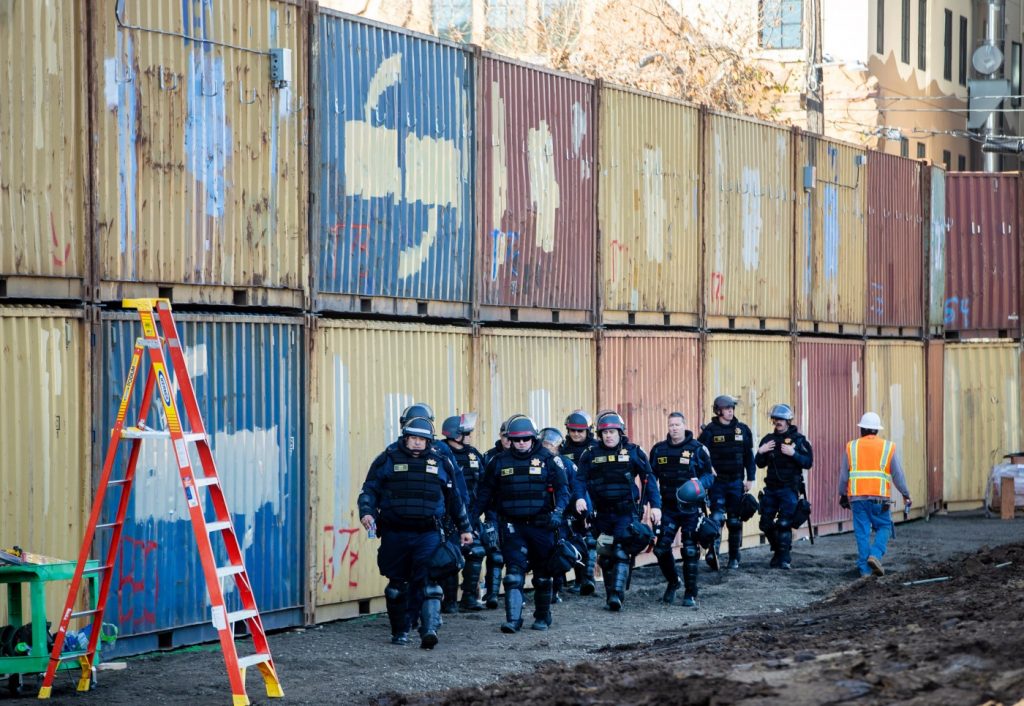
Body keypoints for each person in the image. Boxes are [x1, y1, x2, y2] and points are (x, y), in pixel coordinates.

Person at [358, 417, 473, 649]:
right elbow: (369, 490)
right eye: (413, 438)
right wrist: (367, 512)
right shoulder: (387, 458)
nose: (418, 443)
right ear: (405, 438)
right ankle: (400, 632)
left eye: (422, 439)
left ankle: (429, 630)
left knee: (429, 581)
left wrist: (465, 528)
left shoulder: (441, 461)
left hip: (428, 533)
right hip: (395, 532)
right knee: (395, 587)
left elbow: (454, 498)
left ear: (429, 441)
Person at [473, 416, 570, 633]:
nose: (522, 443)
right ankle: (513, 620)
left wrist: (559, 512)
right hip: (512, 526)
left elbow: (564, 490)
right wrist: (471, 518)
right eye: (517, 440)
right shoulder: (499, 461)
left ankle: (543, 616)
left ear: (533, 438)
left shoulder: (548, 459)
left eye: (526, 439)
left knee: (543, 575)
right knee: (513, 574)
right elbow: (485, 493)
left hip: (542, 525)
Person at [574, 411, 662, 611]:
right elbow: (579, 479)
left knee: (621, 550)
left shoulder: (633, 452)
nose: (608, 436)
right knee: (605, 555)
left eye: (612, 432)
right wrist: (580, 497)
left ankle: (616, 595)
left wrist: (655, 506)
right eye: (604, 432)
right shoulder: (590, 454)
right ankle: (608, 596)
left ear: (620, 432)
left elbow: (649, 479)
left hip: (626, 511)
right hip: (601, 513)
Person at [649, 412, 715, 606]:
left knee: (689, 550)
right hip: (668, 508)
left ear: (684, 425)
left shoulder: (697, 449)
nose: (674, 428)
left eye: (677, 424)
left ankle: (690, 593)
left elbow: (710, 477)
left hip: (691, 509)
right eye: (671, 425)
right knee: (661, 548)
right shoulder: (658, 450)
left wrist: (699, 484)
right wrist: (652, 504)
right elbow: (651, 479)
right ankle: (673, 582)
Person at [838, 412, 912, 578]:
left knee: (862, 532)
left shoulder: (851, 447)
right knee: (885, 527)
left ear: (862, 429)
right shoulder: (888, 447)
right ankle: (875, 555)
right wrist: (906, 494)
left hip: (857, 499)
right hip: (880, 499)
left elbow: (844, 475)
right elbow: (898, 475)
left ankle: (865, 570)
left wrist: (842, 494)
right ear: (877, 431)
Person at [698, 395, 756, 570]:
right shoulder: (709, 431)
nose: (730, 411)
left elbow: (749, 456)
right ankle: (713, 554)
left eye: (732, 408)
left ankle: (734, 558)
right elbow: (700, 456)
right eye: (727, 408)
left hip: (736, 481)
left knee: (734, 521)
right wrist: (707, 471)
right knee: (716, 518)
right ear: (718, 410)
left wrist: (750, 478)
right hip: (717, 483)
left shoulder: (742, 430)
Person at [755, 404, 813, 570]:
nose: (778, 422)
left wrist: (793, 453)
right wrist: (761, 451)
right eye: (775, 419)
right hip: (771, 489)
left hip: (789, 488)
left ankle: (784, 558)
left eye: (781, 419)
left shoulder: (798, 440)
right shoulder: (768, 440)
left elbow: (808, 462)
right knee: (765, 523)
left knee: (784, 523)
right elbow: (759, 464)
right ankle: (778, 551)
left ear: (788, 420)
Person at [441, 413, 487, 611]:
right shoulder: (440, 452)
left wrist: (477, 514)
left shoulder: (474, 454)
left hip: (470, 515)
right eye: (467, 432)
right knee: (451, 555)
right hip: (448, 517)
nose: (470, 435)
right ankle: (449, 601)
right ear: (456, 434)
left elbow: (485, 486)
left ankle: (469, 597)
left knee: (476, 552)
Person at [537, 427, 584, 603]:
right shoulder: (534, 462)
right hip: (538, 516)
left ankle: (555, 591)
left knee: (557, 553)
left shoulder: (565, 464)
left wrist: (583, 510)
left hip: (561, 516)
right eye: (545, 444)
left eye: (551, 444)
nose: (548, 447)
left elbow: (577, 487)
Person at [559, 410, 599, 595]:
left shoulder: (595, 449)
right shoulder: (563, 450)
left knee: (590, 539)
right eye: (572, 430)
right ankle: (578, 579)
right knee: (575, 538)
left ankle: (588, 579)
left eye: (580, 431)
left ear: (588, 431)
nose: (576, 434)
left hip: (592, 498)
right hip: (570, 500)